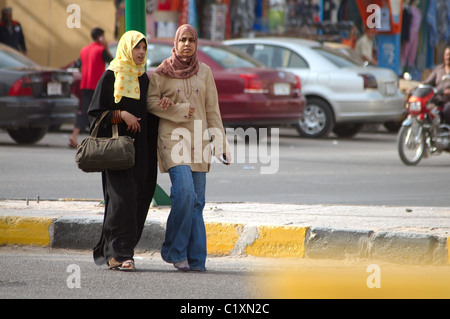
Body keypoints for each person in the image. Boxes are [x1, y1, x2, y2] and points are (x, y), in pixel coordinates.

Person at [147, 24, 230, 272]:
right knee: (184, 193)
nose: (186, 44)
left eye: (191, 40)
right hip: (172, 138)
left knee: (197, 203)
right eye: (182, 39)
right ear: (175, 42)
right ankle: (174, 250)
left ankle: (196, 259)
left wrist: (220, 144)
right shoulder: (163, 72)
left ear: (196, 44)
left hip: (199, 141)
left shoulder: (204, 72)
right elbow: (150, 102)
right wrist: (174, 107)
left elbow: (213, 110)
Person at [88, 30, 159, 271]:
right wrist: (121, 115)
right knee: (121, 200)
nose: (141, 53)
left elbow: (150, 115)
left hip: (141, 153)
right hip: (117, 152)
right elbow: (95, 114)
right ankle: (120, 253)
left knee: (139, 198)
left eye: (144, 48)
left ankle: (120, 250)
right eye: (137, 48)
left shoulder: (143, 78)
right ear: (127, 48)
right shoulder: (111, 76)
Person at [69, 28, 113, 148]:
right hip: (97, 86)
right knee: (98, 112)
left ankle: (74, 135)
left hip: (85, 85)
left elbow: (78, 65)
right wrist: (107, 47)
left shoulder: (84, 50)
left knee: (85, 111)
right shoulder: (101, 50)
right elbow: (113, 62)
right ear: (100, 37)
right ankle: (94, 139)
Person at [424, 45, 450, 123]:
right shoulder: (439, 69)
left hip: (447, 101)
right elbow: (427, 82)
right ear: (444, 56)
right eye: (447, 55)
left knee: (447, 109)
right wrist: (415, 88)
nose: (448, 57)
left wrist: (445, 92)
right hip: (437, 99)